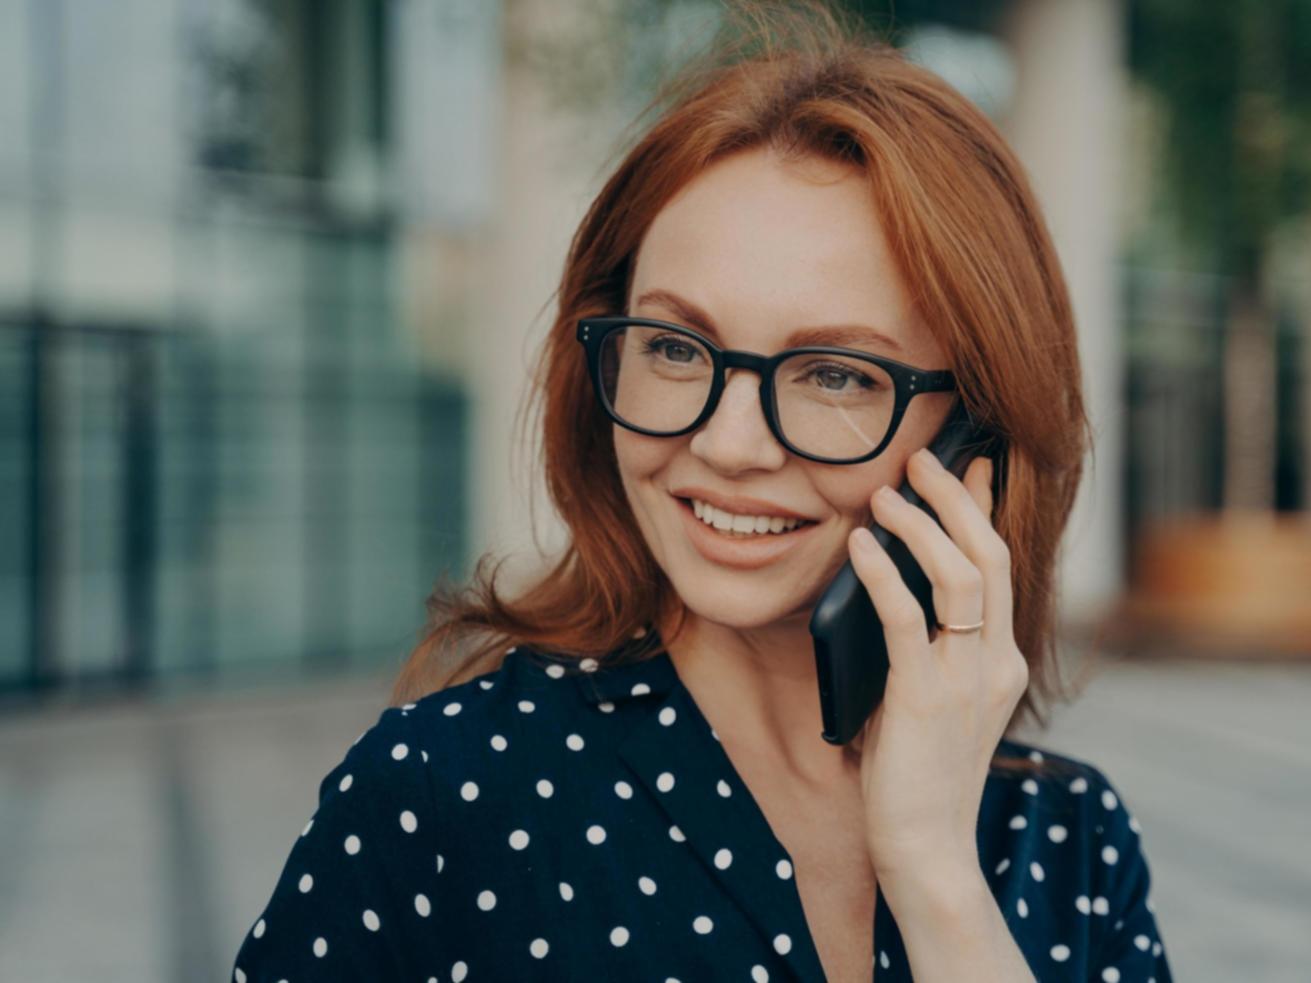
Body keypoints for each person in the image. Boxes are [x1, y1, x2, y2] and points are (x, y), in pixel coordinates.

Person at [229, 2, 1173, 980]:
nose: (725, 444)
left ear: (973, 432)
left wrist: (936, 872)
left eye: (836, 374)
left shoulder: (1069, 841)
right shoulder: (439, 794)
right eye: (677, 348)